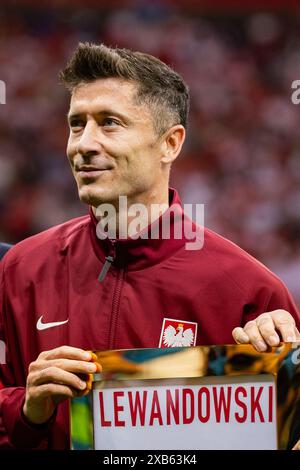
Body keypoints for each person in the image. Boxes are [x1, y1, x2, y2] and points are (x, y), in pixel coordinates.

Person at [0, 43, 299, 450]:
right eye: (75, 124)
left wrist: (274, 381)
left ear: (170, 144)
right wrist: (28, 410)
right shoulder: (21, 270)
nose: (83, 144)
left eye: (109, 123)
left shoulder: (250, 292)